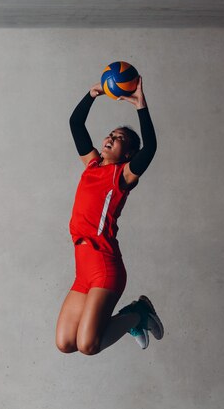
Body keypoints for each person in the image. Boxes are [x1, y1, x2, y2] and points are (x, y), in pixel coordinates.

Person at [55, 76, 164, 355]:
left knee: (88, 345)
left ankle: (138, 314)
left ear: (127, 154)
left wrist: (141, 106)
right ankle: (136, 316)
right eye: (111, 134)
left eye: (119, 139)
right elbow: (75, 124)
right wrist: (92, 94)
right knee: (66, 343)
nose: (111, 139)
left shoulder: (122, 176)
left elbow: (150, 148)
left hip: (104, 265)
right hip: (83, 267)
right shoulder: (91, 164)